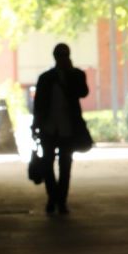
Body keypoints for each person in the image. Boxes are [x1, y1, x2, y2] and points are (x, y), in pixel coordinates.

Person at [32, 43, 89, 214]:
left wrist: (70, 74)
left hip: (68, 128)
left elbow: (83, 92)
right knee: (48, 165)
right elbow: (39, 104)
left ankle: (61, 201)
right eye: (61, 55)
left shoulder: (77, 75)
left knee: (66, 166)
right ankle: (53, 197)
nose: (63, 58)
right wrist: (36, 125)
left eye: (65, 55)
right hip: (49, 128)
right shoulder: (46, 78)